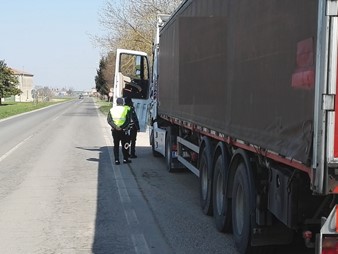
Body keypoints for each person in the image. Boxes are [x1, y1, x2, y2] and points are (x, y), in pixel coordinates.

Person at [107, 97, 132, 165]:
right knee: (125, 145)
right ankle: (125, 159)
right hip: (124, 130)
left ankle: (116, 160)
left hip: (115, 130)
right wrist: (122, 127)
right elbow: (128, 120)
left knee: (116, 145)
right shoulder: (126, 109)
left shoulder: (112, 109)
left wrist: (116, 127)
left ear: (117, 103)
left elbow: (109, 120)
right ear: (123, 102)